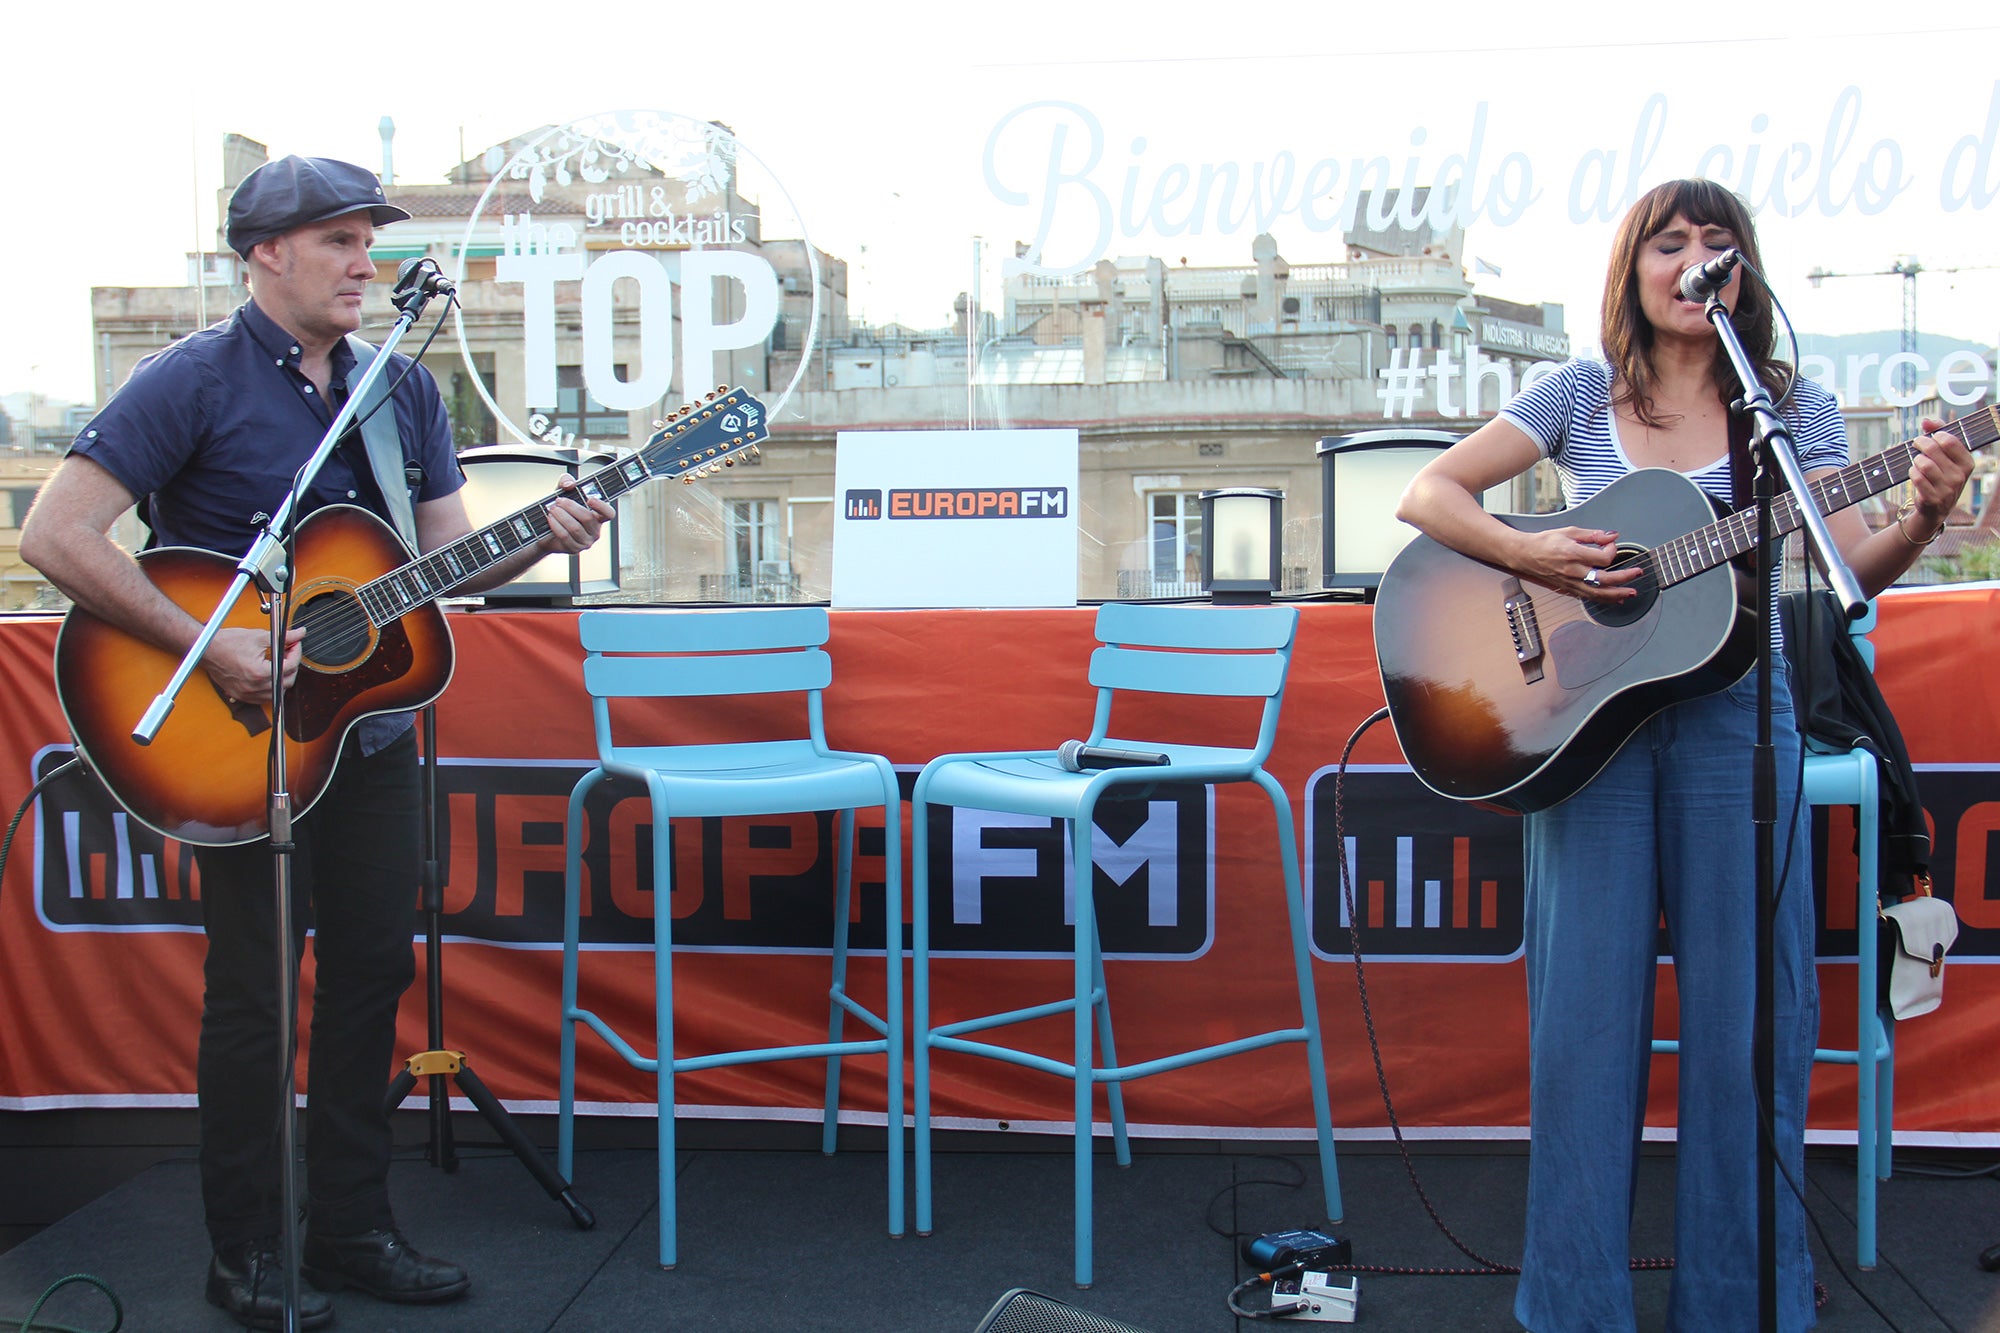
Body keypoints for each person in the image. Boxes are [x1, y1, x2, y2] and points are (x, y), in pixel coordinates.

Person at [20, 155, 616, 1332]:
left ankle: (349, 1228)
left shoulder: (403, 392)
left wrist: (542, 536)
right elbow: (57, 532)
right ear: (265, 255)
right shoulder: (188, 379)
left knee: (369, 976)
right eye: (339, 241)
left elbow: (442, 563)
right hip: (238, 738)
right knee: (253, 995)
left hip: (369, 732)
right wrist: (210, 645)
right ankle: (243, 1249)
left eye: (369, 242)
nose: (363, 264)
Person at [1395, 178, 1973, 1331]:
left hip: (1737, 720)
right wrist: (1533, 554)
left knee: (1749, 1025)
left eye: (1717, 242)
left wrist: (1920, 512)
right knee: (1582, 1026)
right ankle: (1574, 1305)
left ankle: (1740, 1301)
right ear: (1632, 266)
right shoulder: (1577, 391)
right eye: (1668, 242)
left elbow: (1846, 569)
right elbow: (1428, 493)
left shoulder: (1788, 409)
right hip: (1585, 727)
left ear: (1741, 273)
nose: (1693, 259)